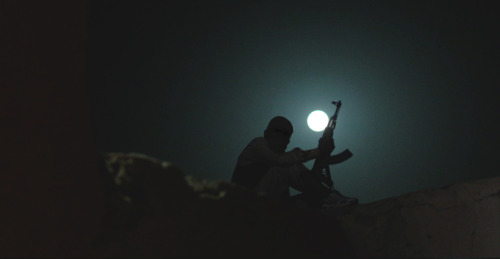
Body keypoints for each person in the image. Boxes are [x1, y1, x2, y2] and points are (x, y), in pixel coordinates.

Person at [231, 116, 357, 208]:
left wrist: (323, 157)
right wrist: (318, 151)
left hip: (271, 205)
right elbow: (280, 161)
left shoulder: (277, 171)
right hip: (246, 205)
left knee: (310, 199)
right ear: (267, 133)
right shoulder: (258, 144)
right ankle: (331, 198)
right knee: (285, 166)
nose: (286, 140)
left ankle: (328, 201)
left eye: (287, 136)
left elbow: (307, 182)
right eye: (281, 133)